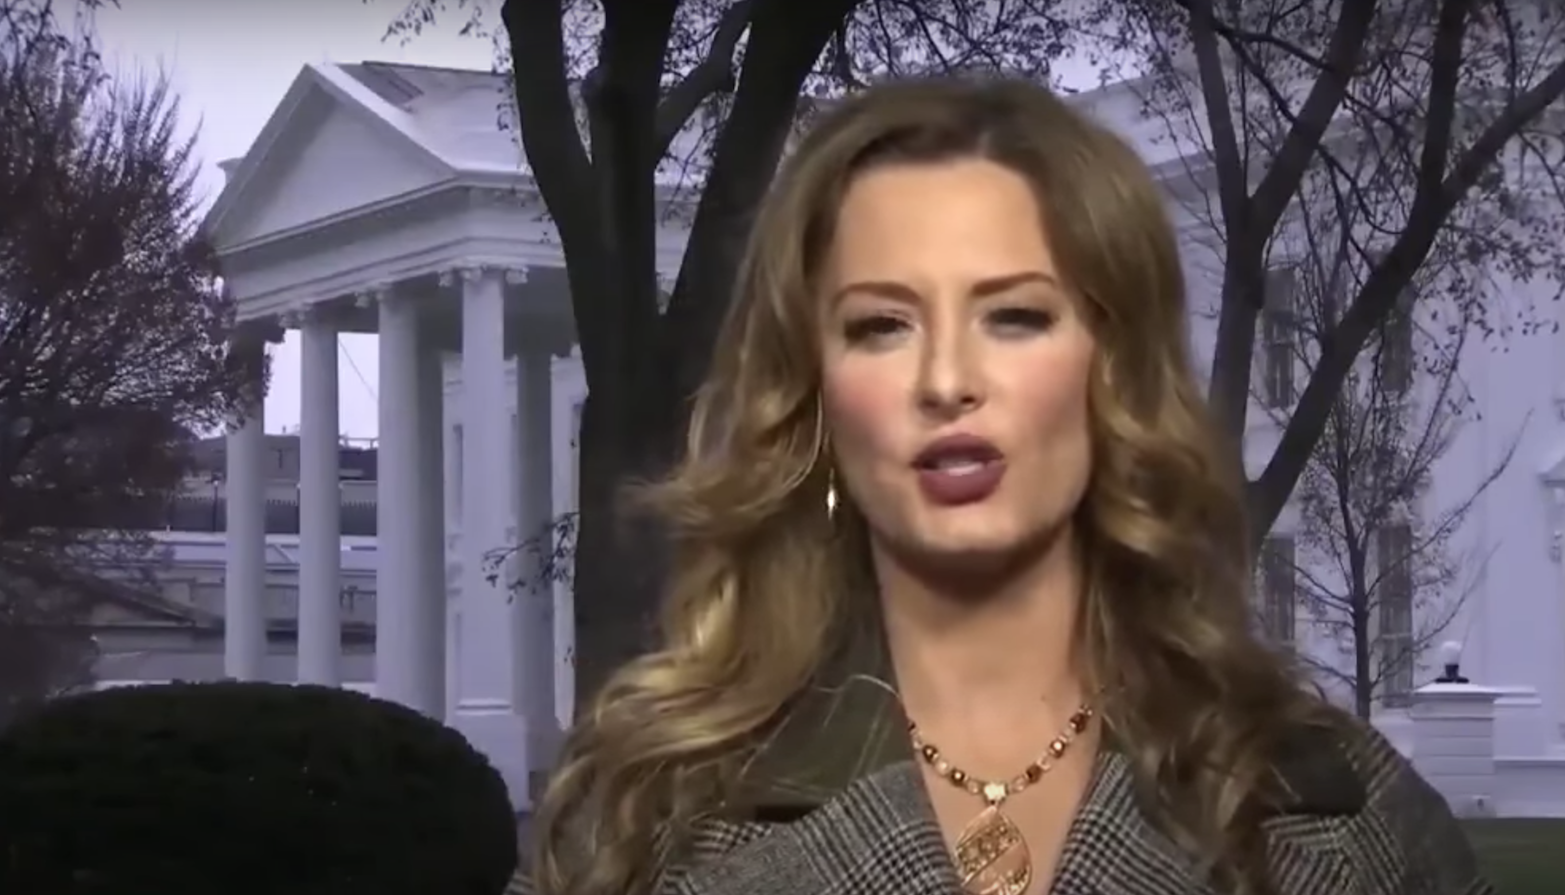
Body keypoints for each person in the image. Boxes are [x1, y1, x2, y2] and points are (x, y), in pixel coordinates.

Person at [519, 74, 1491, 895]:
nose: (946, 380)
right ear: (811, 394)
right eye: (879, 325)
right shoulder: (641, 816)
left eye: (1015, 317)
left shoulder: (1340, 816)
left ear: (1109, 370)